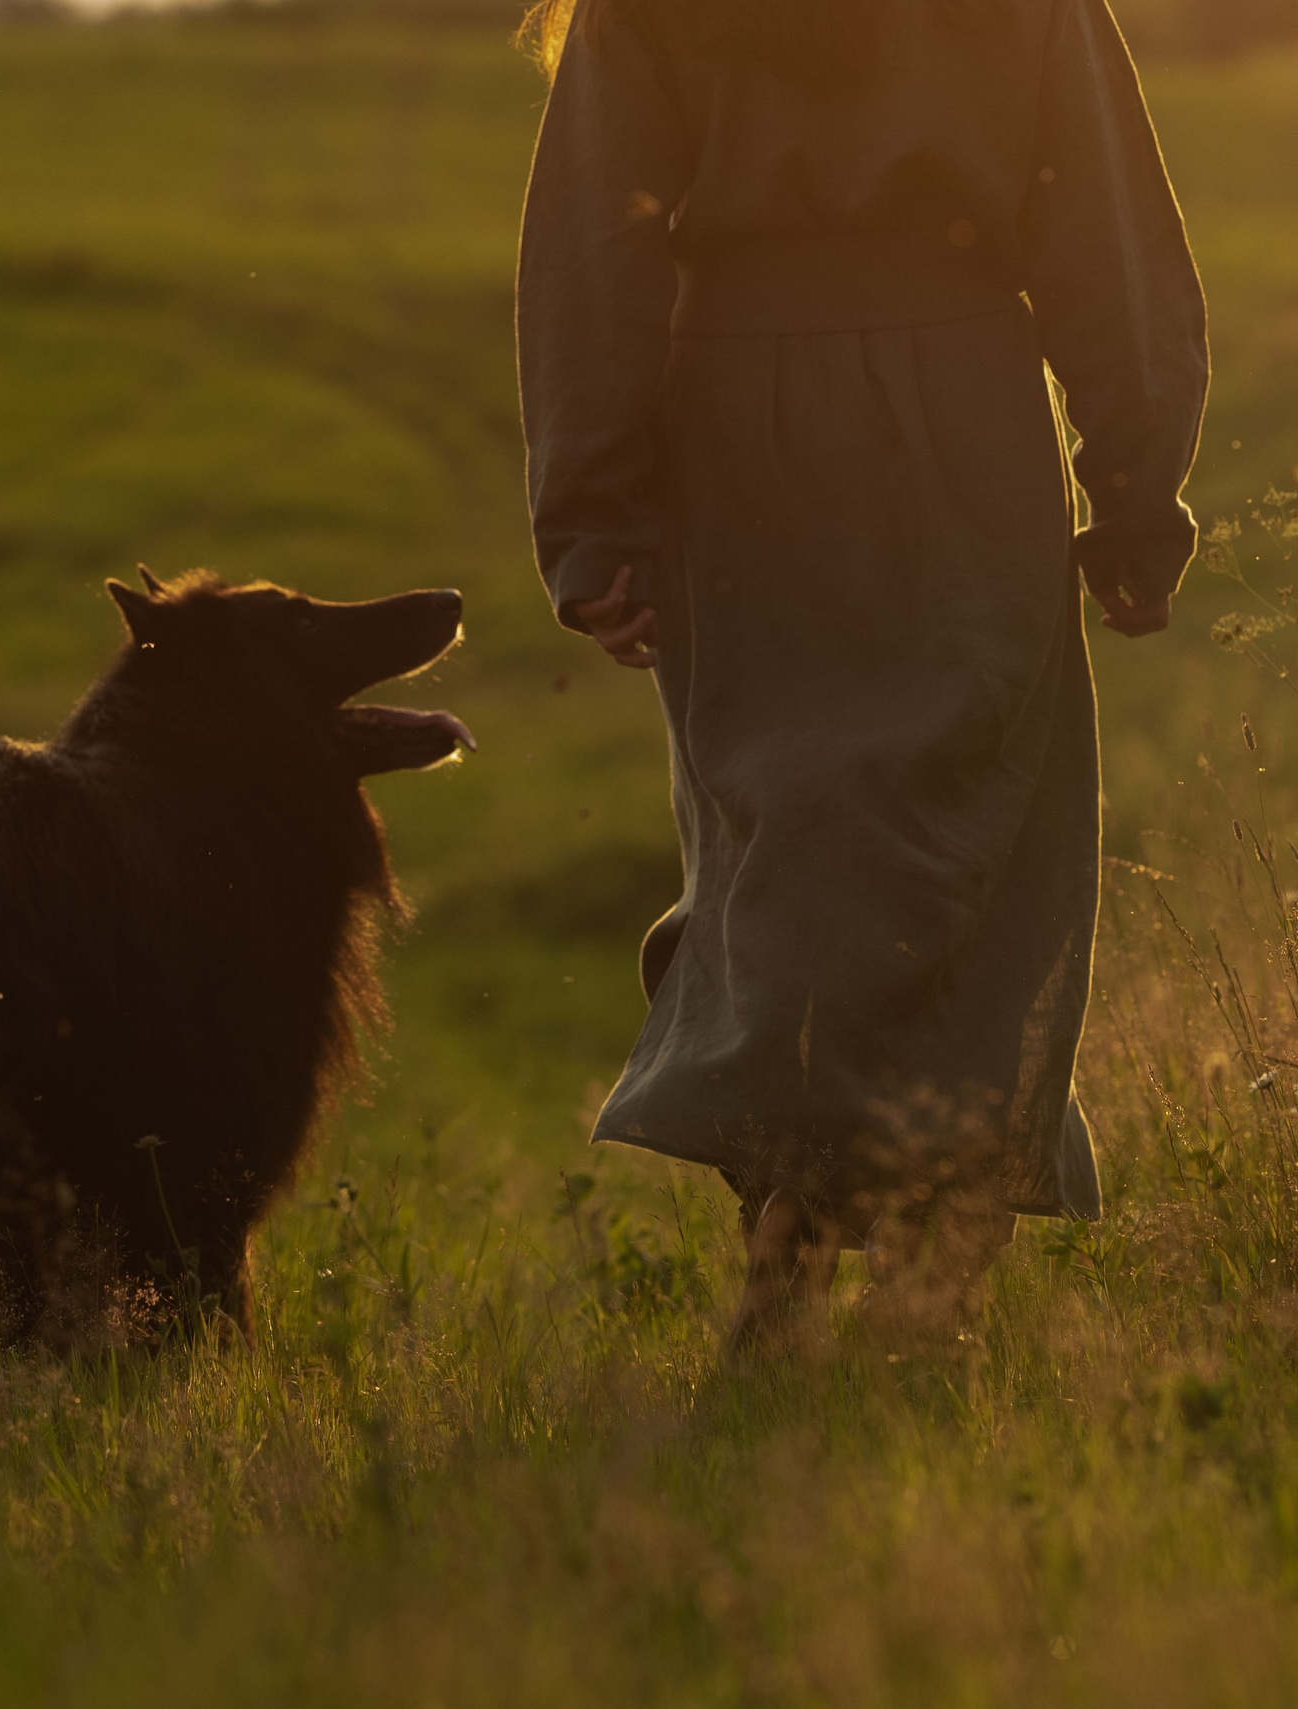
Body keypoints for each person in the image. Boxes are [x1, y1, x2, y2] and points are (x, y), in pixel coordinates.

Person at [516, 0, 1208, 1352]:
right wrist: (1134, 489)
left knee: (784, 854)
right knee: (972, 853)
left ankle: (820, 1255)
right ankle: (905, 1278)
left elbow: (595, 241)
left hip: (736, 439)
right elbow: (1099, 227)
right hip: (959, 421)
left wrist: (593, 512)